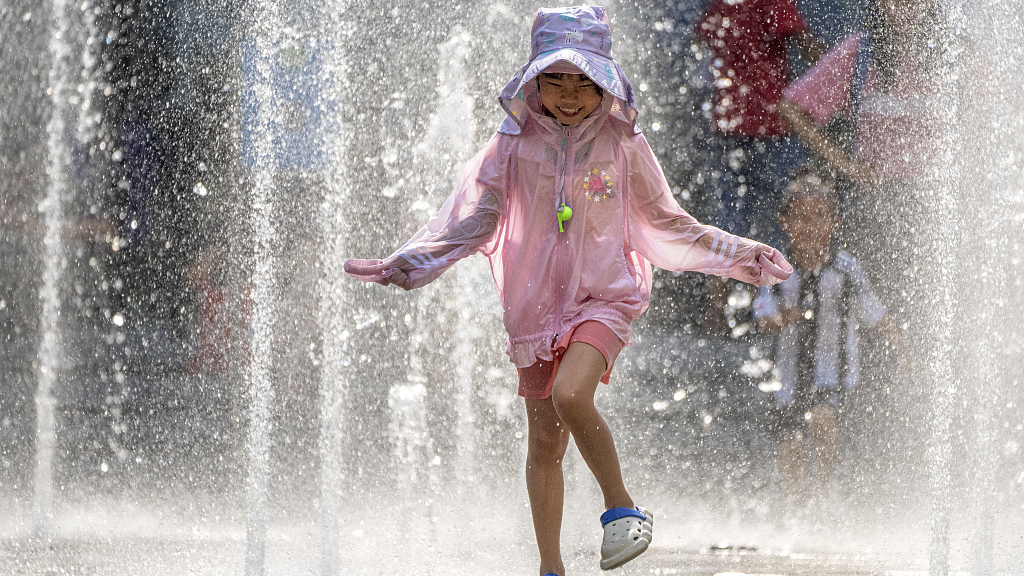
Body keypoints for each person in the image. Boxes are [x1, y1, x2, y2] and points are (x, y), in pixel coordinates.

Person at [344, 7, 793, 575]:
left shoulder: (623, 144)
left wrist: (741, 257)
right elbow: (474, 222)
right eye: (554, 79)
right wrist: (410, 263)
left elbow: (667, 224)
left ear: (605, 81)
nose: (570, 93)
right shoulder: (510, 145)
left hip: (603, 299)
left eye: (584, 80)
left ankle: (622, 509)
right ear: (532, 80)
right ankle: (550, 567)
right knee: (544, 448)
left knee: (572, 395)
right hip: (533, 313)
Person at [753, 173, 902, 505]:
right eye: (801, 217)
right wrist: (779, 319)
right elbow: (761, 315)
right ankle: (797, 502)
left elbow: (875, 313)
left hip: (832, 374)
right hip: (787, 378)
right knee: (790, 442)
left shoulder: (846, 270)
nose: (810, 226)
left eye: (820, 217)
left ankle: (824, 490)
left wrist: (904, 349)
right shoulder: (775, 268)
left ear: (835, 223)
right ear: (785, 222)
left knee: (822, 419)